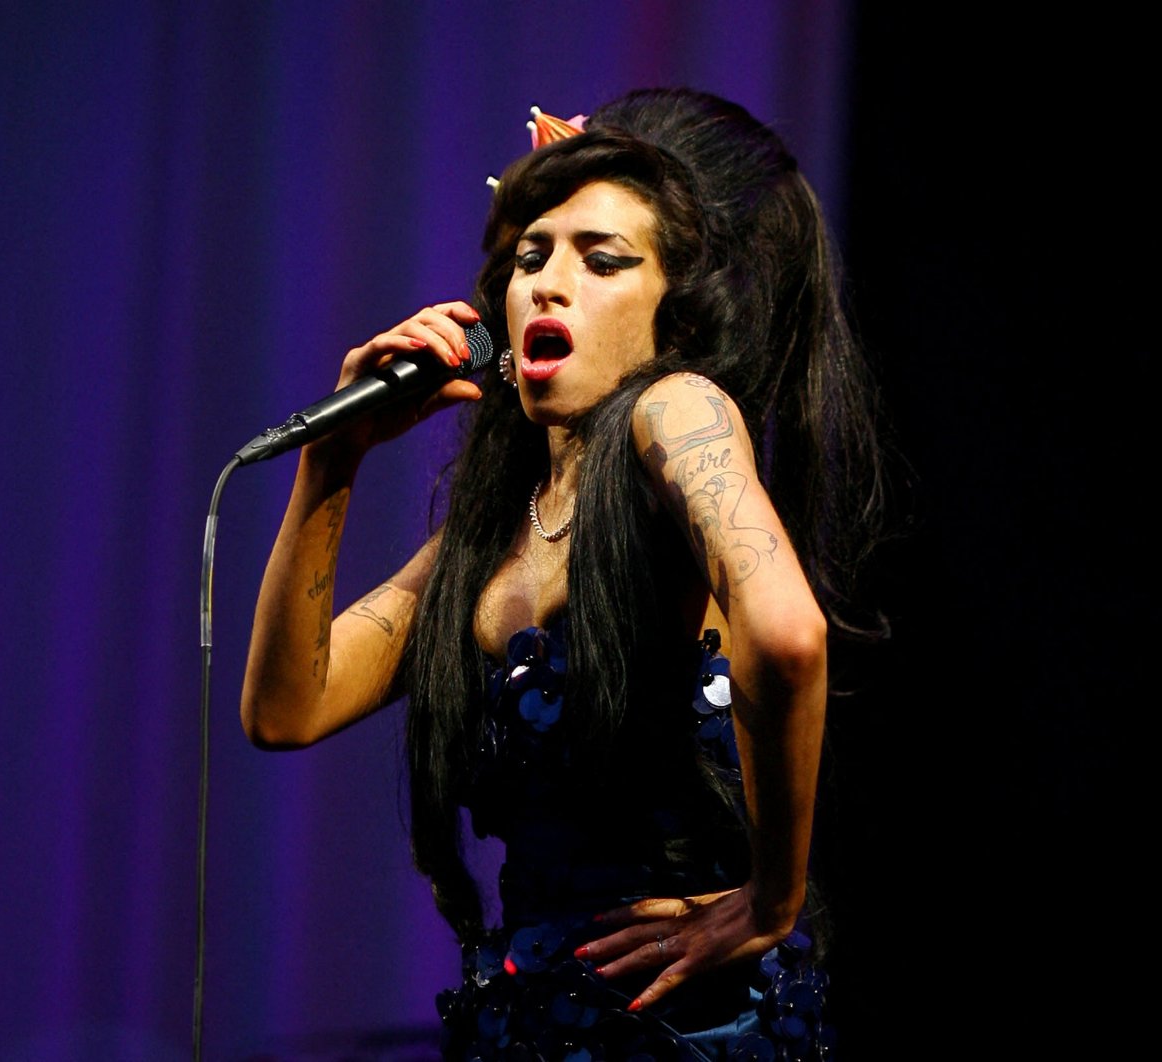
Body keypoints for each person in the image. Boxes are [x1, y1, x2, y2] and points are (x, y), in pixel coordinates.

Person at [240, 86, 887, 1060]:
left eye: (601, 260)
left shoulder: (677, 408)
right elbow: (287, 708)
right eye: (531, 255)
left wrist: (770, 898)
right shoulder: (495, 532)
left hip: (680, 1026)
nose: (547, 284)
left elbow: (789, 633)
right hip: (536, 1023)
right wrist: (330, 465)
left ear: (679, 305)